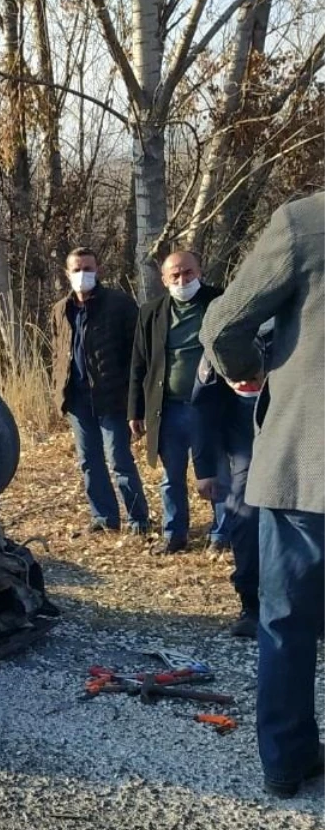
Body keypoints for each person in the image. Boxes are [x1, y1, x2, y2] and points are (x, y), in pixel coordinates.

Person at [200, 191, 325, 799]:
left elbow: (223, 323)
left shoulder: (306, 223)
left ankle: (286, 759)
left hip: (307, 466)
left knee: (286, 622)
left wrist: (245, 369)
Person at [128, 250, 226, 554]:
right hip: (168, 408)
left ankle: (222, 535)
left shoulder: (219, 303)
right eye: (175, 275)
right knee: (171, 477)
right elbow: (139, 364)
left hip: (211, 406)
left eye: (188, 273)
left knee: (216, 473)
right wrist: (136, 409)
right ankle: (175, 534)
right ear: (164, 279)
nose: (183, 279)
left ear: (200, 271)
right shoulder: (151, 312)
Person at [52, 247, 150, 534]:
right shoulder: (61, 309)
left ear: (99, 270)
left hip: (112, 399)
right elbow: (58, 352)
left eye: (88, 268)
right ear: (67, 274)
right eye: (77, 269)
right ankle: (104, 518)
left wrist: (136, 401)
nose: (83, 274)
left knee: (119, 460)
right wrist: (58, 391)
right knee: (89, 462)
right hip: (77, 400)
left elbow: (137, 354)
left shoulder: (119, 304)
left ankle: (138, 519)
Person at [189, 349, 260, 637]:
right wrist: (205, 468)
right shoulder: (224, 331)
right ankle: (252, 606)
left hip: (300, 433)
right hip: (244, 437)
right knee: (245, 517)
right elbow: (203, 407)